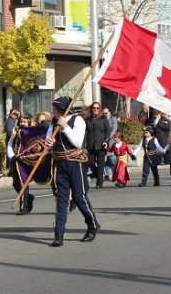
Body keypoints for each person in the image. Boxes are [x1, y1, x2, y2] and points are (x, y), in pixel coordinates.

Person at [46, 96, 99, 246]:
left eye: (55, 109)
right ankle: (59, 234)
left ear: (61, 110)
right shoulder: (54, 122)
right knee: (61, 199)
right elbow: (48, 138)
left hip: (75, 163)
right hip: (60, 163)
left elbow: (77, 142)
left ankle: (92, 225)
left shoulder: (78, 121)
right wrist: (48, 142)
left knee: (79, 197)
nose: (53, 112)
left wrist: (65, 127)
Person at [86, 101, 111, 189]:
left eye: (97, 108)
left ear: (99, 109)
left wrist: (106, 141)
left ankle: (99, 183)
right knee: (90, 163)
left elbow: (108, 131)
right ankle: (98, 176)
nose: (95, 110)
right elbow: (85, 131)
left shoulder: (103, 118)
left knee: (101, 165)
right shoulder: (88, 119)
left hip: (101, 144)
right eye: (94, 108)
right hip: (91, 144)